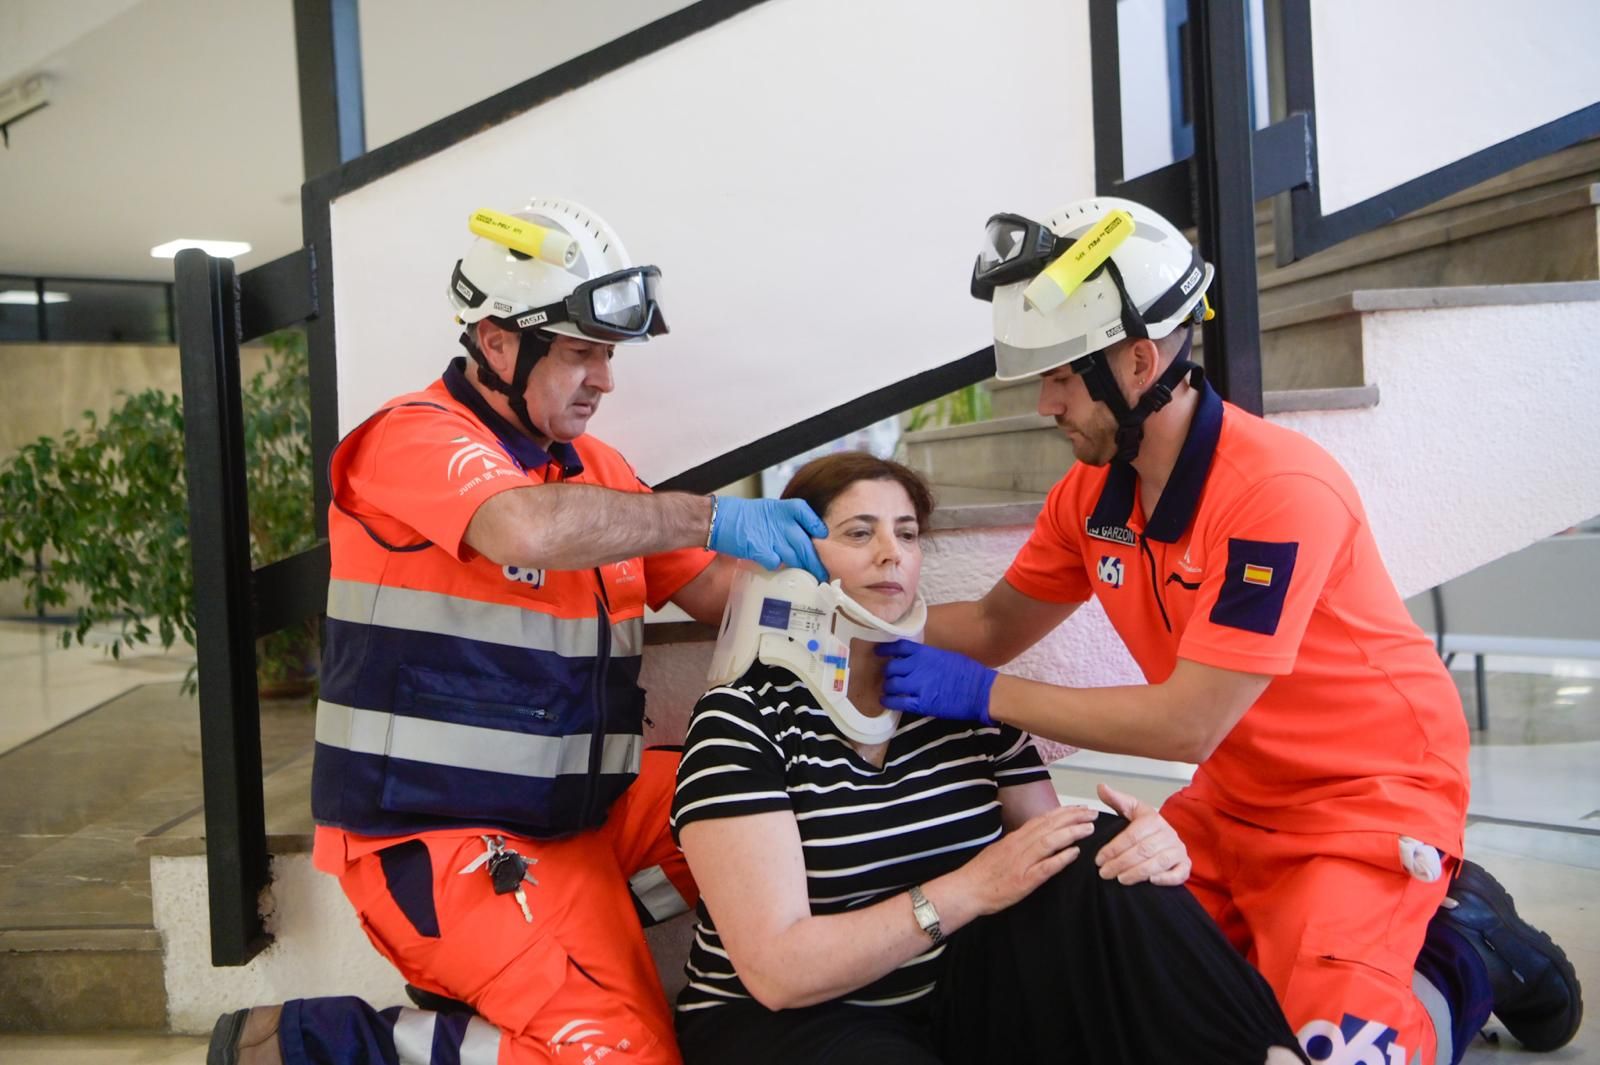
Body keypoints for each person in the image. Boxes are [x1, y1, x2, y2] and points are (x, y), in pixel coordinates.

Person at [873, 196, 1584, 1064]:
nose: (1045, 401)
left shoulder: (1277, 492)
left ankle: (1466, 943)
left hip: (1367, 798)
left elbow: (1185, 721)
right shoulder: (1091, 494)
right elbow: (988, 624)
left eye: (1061, 374)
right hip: (1235, 799)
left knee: (1331, 1050)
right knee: (1132, 986)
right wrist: (856, 624)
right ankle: (1335, 937)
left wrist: (983, 695)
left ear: (1138, 361)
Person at [208, 198, 832, 1065]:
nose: (605, 381)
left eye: (607, 355)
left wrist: (863, 599)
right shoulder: (410, 439)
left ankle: (559, 944)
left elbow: (721, 594)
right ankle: (332, 1042)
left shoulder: (600, 474)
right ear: (498, 341)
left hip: (581, 816)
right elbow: (524, 528)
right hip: (438, 838)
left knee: (803, 803)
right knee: (625, 1056)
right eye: (581, 353)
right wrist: (710, 514)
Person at [670, 450, 1307, 1065]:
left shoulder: (957, 697)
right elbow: (780, 974)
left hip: (949, 997)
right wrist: (967, 889)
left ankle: (1269, 1058)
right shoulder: (744, 718)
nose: (892, 553)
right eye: (859, 533)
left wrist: (1151, 847)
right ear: (797, 561)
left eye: (908, 534)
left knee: (1102, 850)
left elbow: (1053, 860)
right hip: (784, 1022)